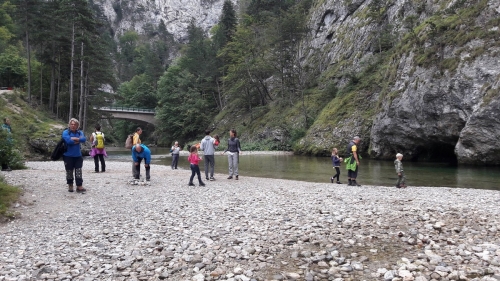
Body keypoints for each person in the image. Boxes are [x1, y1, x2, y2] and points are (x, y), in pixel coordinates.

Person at [62, 118, 86, 193]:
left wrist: (74, 139)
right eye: (71, 124)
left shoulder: (80, 132)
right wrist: (77, 139)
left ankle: (79, 186)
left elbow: (84, 139)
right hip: (68, 155)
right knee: (69, 171)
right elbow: (68, 141)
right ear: (69, 125)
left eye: (74, 124)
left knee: (78, 170)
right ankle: (70, 185)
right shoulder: (65, 132)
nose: (73, 126)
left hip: (78, 155)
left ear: (77, 125)